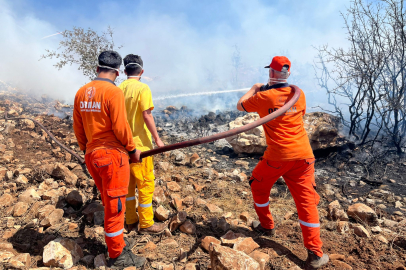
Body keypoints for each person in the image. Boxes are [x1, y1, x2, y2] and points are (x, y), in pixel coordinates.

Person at [236, 56, 329, 270]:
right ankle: (315, 254)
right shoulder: (299, 94)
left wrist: (254, 88)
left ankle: (267, 226)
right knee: (306, 203)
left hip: (278, 156)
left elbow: (240, 106)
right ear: (288, 73)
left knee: (258, 184)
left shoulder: (264, 96)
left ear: (271, 72)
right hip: (304, 156)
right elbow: (298, 113)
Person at [73, 51, 146, 268]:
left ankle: (118, 244)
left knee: (109, 201)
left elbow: (78, 128)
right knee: (115, 207)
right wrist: (132, 149)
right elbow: (121, 127)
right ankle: (117, 256)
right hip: (113, 156)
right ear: (117, 73)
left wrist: (86, 149)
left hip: (92, 155)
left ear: (97, 69)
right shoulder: (113, 93)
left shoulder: (81, 92)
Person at [118, 54, 166, 234]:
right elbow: (147, 115)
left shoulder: (118, 88)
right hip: (141, 147)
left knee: (128, 187)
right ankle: (146, 224)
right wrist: (157, 139)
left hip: (123, 147)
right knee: (145, 185)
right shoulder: (142, 88)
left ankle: (130, 221)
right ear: (142, 71)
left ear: (124, 71)